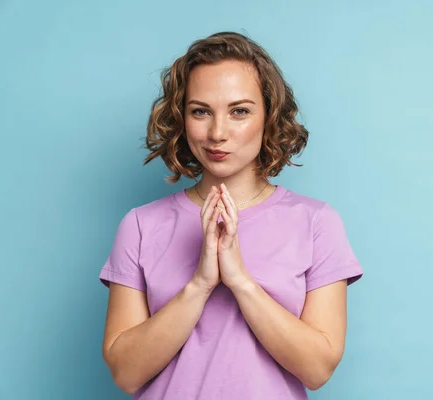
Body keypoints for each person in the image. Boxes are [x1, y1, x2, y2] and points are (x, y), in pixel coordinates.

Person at [98, 31, 363, 400]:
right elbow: (126, 374)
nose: (217, 133)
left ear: (268, 116)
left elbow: (317, 370)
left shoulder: (316, 222)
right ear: (182, 118)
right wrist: (200, 284)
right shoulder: (141, 225)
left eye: (239, 111)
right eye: (200, 111)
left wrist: (240, 281)